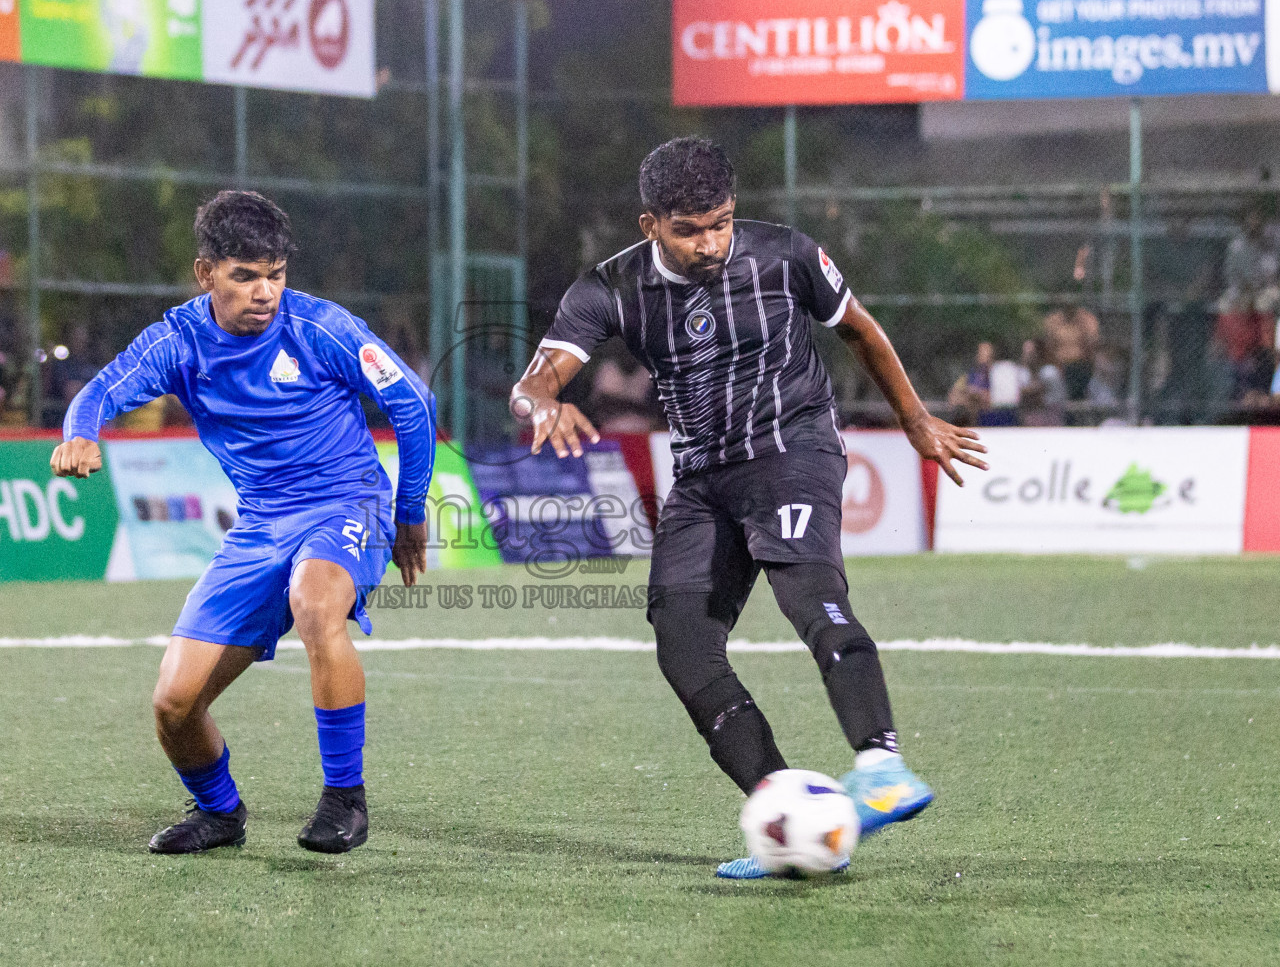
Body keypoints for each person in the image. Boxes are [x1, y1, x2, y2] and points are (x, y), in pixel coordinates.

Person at [509, 138, 987, 879]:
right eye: (690, 230)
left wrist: (916, 419)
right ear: (650, 225)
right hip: (702, 478)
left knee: (809, 592)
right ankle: (787, 816)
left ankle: (881, 763)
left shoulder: (786, 255)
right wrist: (541, 401)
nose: (710, 243)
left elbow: (860, 329)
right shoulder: (609, 288)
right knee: (682, 644)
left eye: (721, 223)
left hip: (792, 448)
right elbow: (539, 377)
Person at [50, 191, 436, 856]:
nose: (266, 292)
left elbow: (415, 404)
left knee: (316, 606)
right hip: (260, 525)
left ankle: (346, 798)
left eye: (276, 274)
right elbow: (103, 389)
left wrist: (407, 512)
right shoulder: (178, 340)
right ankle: (219, 813)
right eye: (246, 276)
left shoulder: (322, 328)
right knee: (174, 705)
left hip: (347, 503)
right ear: (206, 274)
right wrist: (81, 432)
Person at [1042, 303, 1100, 402]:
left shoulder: (1087, 319)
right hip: (1058, 368)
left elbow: (1092, 344)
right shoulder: (1053, 320)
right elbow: (1048, 345)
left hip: (1081, 368)